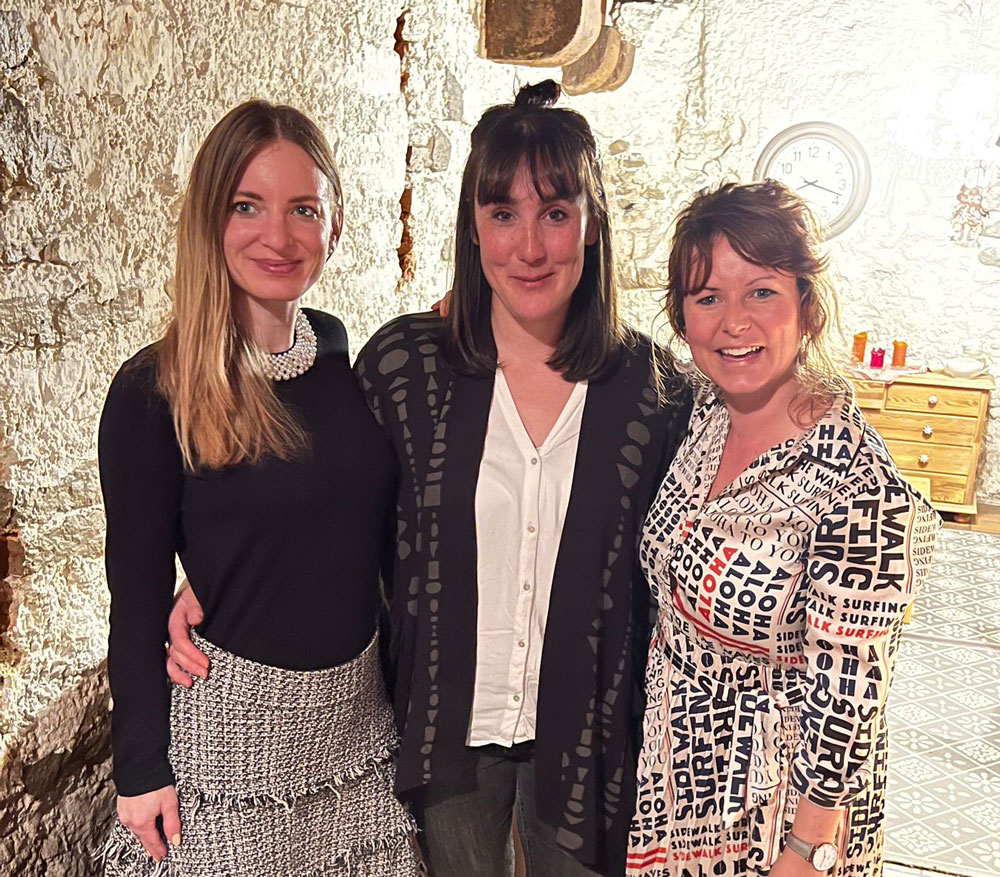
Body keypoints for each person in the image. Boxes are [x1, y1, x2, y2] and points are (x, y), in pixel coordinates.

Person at [168, 80, 692, 876]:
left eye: (556, 213)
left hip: (590, 745)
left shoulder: (653, 392)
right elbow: (331, 489)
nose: (529, 247)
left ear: (593, 225)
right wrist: (215, 573)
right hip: (444, 736)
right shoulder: (406, 366)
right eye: (502, 214)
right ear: (472, 227)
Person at [98, 100, 422, 876]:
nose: (278, 236)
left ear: (334, 227)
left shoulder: (337, 348)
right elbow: (135, 594)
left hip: (356, 732)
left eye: (303, 208)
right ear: (210, 219)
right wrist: (139, 770)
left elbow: (331, 512)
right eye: (248, 206)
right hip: (231, 742)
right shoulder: (154, 389)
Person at [626, 181, 940, 877]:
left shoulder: (860, 485)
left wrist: (807, 850)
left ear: (807, 305)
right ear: (682, 315)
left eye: (761, 292)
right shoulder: (701, 415)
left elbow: (849, 702)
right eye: (708, 297)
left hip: (773, 816)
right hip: (675, 782)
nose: (733, 323)